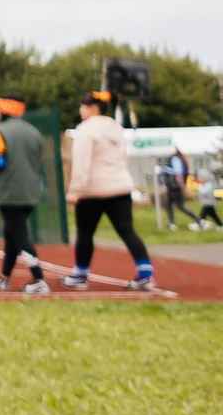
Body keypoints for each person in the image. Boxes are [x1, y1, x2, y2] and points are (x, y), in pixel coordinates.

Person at [62, 90, 158, 291]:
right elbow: (123, 158)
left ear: (92, 108)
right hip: (120, 187)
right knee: (127, 231)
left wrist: (74, 191)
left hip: (93, 190)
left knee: (85, 233)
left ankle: (80, 275)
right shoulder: (116, 127)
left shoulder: (86, 129)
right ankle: (145, 274)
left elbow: (81, 163)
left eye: (82, 106)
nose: (80, 110)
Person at [0, 96, 51, 294]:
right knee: (12, 233)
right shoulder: (33, 131)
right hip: (31, 190)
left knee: (20, 235)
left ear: (4, 110)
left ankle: (38, 278)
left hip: (9, 190)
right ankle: (4, 277)